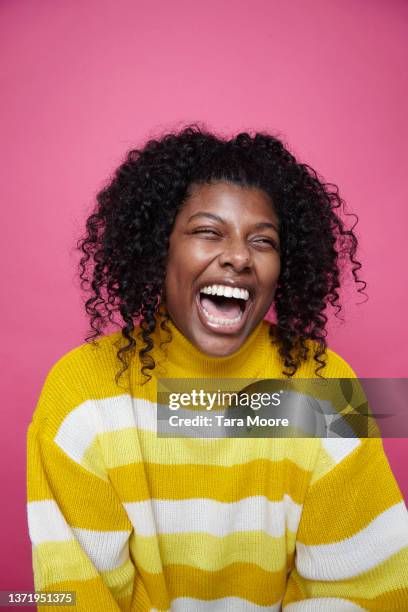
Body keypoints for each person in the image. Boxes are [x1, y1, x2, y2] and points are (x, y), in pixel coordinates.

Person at [27, 126, 408, 611]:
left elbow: (370, 589)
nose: (238, 257)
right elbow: (74, 595)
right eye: (208, 232)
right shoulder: (81, 394)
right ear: (158, 247)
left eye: (263, 241)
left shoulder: (326, 388)